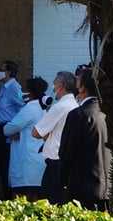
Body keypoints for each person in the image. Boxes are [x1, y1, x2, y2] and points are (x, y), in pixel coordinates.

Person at [60, 65, 110, 211]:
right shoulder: (107, 113)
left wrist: (62, 182)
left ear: (82, 87)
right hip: (107, 187)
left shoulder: (78, 115)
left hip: (82, 188)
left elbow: (66, 152)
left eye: (78, 79)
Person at [32, 71, 79, 204]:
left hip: (55, 163)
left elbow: (36, 132)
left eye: (54, 84)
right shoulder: (75, 105)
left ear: (61, 85)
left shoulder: (60, 107)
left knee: (48, 203)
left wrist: (49, 135)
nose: (53, 89)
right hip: (69, 161)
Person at [3, 76, 48, 199]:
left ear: (30, 92)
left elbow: (8, 129)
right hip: (37, 161)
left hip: (26, 163)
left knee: (23, 200)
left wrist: (17, 132)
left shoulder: (30, 108)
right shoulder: (42, 108)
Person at [0, 60, 24, 196]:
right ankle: (2, 192)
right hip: (0, 128)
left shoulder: (14, 87)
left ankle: (8, 194)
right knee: (0, 160)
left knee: (6, 161)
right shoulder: (4, 87)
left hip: (8, 129)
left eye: (2, 69)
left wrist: (16, 128)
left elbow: (22, 107)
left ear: (8, 72)